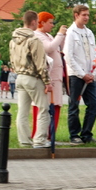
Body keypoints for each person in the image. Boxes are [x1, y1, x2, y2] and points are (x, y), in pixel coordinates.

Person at [9, 10, 53, 148]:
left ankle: (24, 140)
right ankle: (40, 140)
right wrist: (47, 82)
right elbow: (40, 63)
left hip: (19, 76)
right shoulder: (34, 40)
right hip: (32, 77)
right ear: (34, 22)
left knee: (22, 110)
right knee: (42, 109)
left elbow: (12, 60)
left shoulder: (13, 40)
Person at [63, 5, 96, 145]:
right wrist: (81, 73)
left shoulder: (89, 33)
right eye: (84, 15)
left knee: (93, 104)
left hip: (89, 74)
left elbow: (94, 54)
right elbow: (69, 56)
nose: (86, 17)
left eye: (87, 15)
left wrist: (93, 71)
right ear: (76, 15)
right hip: (75, 75)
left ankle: (86, 133)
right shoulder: (71, 33)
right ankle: (74, 134)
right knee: (74, 105)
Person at [32, 11, 67, 140]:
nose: (52, 25)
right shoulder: (38, 36)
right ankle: (41, 134)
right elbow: (49, 48)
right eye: (50, 23)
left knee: (56, 105)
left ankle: (51, 134)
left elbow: (60, 47)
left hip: (56, 77)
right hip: (47, 77)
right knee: (44, 106)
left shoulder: (49, 35)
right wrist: (60, 34)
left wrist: (63, 37)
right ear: (42, 23)